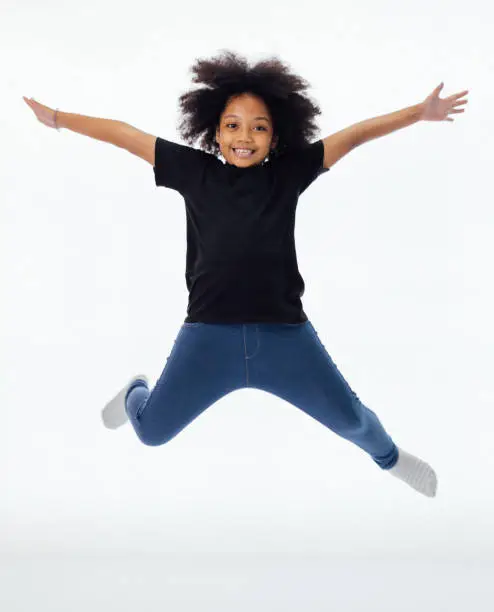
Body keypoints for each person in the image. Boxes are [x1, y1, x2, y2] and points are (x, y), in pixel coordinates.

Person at [24, 50, 468, 498]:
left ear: (275, 138)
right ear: (214, 131)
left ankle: (391, 459)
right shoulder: (192, 171)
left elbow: (352, 137)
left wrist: (418, 113)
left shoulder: (288, 174)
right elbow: (125, 135)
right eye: (233, 125)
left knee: (351, 418)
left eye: (259, 127)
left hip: (285, 339)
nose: (244, 136)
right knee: (152, 431)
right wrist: (59, 117)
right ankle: (136, 392)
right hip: (207, 338)